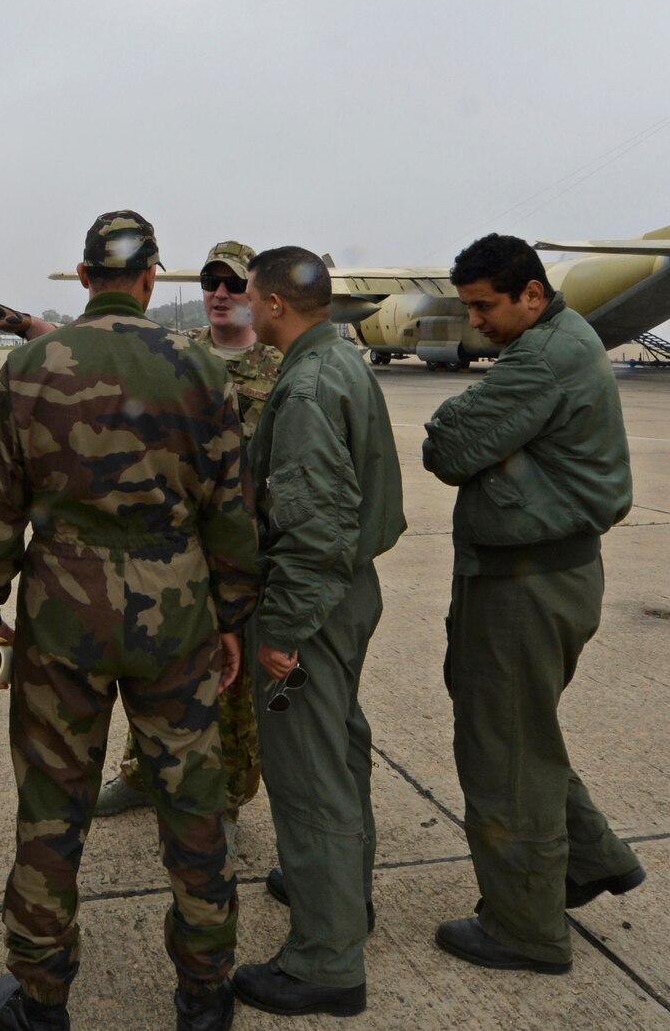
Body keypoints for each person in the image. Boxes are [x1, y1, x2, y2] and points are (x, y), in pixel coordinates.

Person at [0, 211, 258, 1031]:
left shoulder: (29, 365)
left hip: (64, 611)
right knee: (193, 804)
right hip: (176, 610)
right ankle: (205, 993)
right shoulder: (202, 367)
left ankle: (41, 994)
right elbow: (231, 509)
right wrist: (231, 613)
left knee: (53, 806)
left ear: (86, 277)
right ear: (152, 277)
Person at [422, 233, 645, 975]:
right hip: (539, 571)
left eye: (485, 305)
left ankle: (525, 927)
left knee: (505, 750)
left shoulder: (542, 357)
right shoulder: (558, 338)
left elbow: (448, 450)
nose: (474, 321)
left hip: (526, 581)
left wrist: (456, 418)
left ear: (531, 295)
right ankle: (586, 859)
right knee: (522, 734)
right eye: (468, 305)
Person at [230, 246, 404, 1018]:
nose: (243, 309)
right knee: (340, 744)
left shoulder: (303, 387)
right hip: (348, 586)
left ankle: (325, 957)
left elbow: (314, 522)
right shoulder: (339, 360)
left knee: (308, 772)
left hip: (315, 598)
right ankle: (340, 892)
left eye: (249, 298)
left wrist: (284, 627)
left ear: (272, 303)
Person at [96, 240, 277, 846]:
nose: (220, 294)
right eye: (210, 282)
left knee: (231, 684)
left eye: (232, 283)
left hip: (242, 546)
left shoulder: (278, 367)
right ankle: (141, 775)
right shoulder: (178, 356)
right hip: (173, 544)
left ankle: (226, 797)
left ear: (253, 292)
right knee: (154, 663)